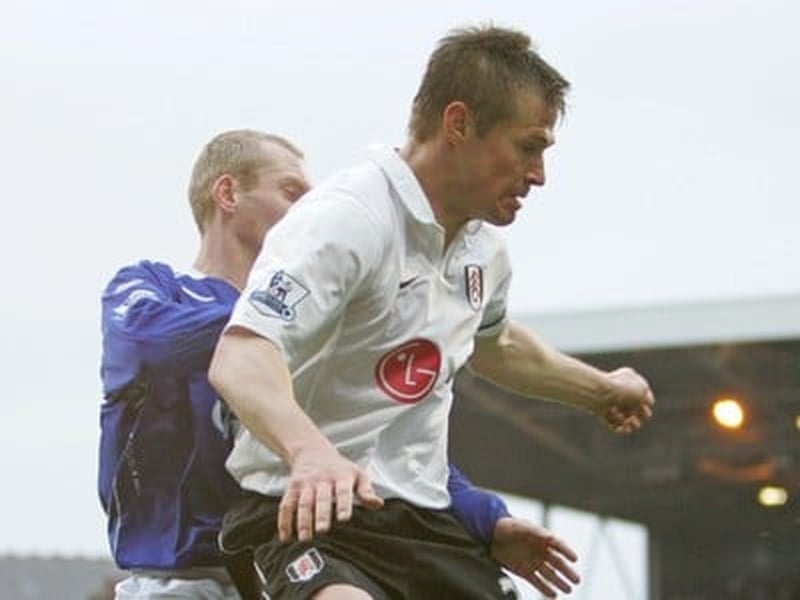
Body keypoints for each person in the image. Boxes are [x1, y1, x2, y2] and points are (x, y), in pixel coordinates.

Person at [209, 24, 655, 600]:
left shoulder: (482, 252)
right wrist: (311, 454)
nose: (539, 175)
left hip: (421, 525)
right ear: (459, 123)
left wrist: (600, 390)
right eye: (529, 147)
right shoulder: (348, 220)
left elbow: (496, 345)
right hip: (302, 515)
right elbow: (240, 356)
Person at [98, 129, 580, 600]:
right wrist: (308, 314)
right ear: (228, 193)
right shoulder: (151, 287)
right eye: (292, 192)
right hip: (180, 578)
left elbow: (388, 447)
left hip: (290, 560)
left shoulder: (326, 324)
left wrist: (486, 516)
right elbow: (148, 340)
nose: (309, 207)